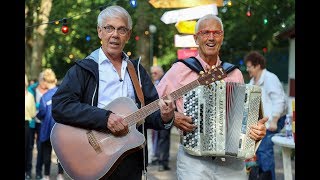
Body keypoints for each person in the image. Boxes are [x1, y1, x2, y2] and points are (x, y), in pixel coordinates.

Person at [51, 5, 175, 180]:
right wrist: (105, 118)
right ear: (100, 32)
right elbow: (60, 106)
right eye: (109, 28)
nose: (115, 34)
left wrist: (165, 116)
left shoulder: (138, 71)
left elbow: (151, 115)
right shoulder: (83, 69)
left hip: (130, 161)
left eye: (121, 29)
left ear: (129, 35)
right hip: (93, 158)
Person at [156, 14, 268, 180]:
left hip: (231, 162)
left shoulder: (234, 73)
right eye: (205, 33)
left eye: (216, 33)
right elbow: (154, 104)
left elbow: (245, 122)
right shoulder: (179, 70)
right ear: (196, 38)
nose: (211, 38)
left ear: (222, 37)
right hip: (193, 161)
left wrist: (256, 130)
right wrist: (172, 116)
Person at [244, 51, 288, 180]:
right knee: (257, 153)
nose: (247, 69)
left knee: (264, 151)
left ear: (257, 66)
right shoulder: (252, 82)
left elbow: (279, 100)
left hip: (274, 120)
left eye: (249, 66)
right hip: (261, 123)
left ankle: (269, 177)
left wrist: (274, 120)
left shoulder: (270, 78)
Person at [36, 68, 64, 180]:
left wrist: (37, 115)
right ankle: (60, 175)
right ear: (55, 80)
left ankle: (46, 175)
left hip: (47, 129)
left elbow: (41, 113)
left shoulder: (44, 97)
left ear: (45, 82)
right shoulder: (62, 93)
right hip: (61, 128)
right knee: (61, 153)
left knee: (46, 152)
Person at [27, 72, 47, 179]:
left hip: (42, 124)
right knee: (29, 148)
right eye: (43, 81)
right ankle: (28, 171)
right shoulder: (32, 89)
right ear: (40, 80)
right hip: (31, 122)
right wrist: (39, 105)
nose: (44, 84)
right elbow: (29, 101)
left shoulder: (49, 90)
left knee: (40, 148)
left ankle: (39, 172)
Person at [150, 65, 172, 171]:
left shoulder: (166, 81)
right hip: (155, 115)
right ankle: (158, 158)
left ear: (161, 72)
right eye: (152, 73)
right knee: (157, 138)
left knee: (164, 138)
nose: (153, 75)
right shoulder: (153, 83)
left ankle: (163, 162)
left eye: (155, 73)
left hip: (166, 114)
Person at [25, 74, 36, 179]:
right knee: (28, 149)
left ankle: (27, 171)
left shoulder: (30, 95)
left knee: (28, 149)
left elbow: (33, 114)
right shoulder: (30, 96)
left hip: (27, 125)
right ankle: (27, 172)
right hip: (27, 124)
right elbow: (32, 113)